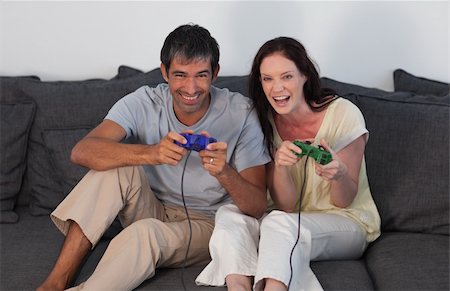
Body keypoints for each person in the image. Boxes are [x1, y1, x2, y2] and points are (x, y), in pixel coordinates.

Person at [37, 23, 271, 291]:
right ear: (164, 72)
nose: (191, 88)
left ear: (215, 73)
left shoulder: (241, 113)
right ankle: (54, 284)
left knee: (144, 233)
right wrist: (152, 153)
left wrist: (225, 172)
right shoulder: (144, 101)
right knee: (116, 169)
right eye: (180, 75)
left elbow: (256, 207)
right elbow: (82, 151)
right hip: (152, 208)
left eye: (201, 75)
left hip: (208, 223)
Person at [196, 37, 380, 291]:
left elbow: (344, 201)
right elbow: (287, 206)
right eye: (267, 79)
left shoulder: (343, 114)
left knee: (278, 223)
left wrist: (338, 175)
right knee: (229, 214)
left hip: (346, 222)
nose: (277, 88)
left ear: (304, 75)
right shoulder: (264, 121)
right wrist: (281, 167)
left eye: (286, 77)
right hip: (288, 221)